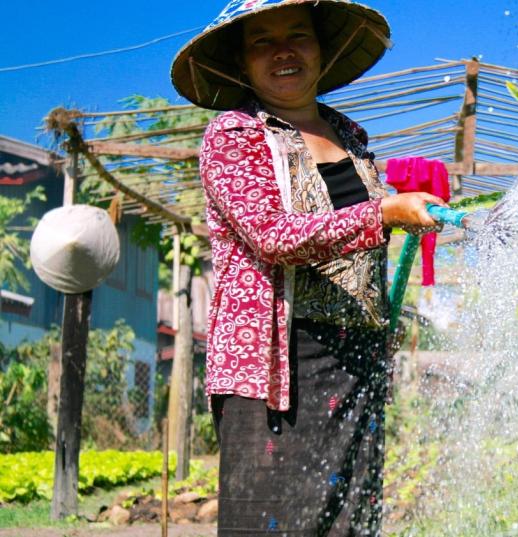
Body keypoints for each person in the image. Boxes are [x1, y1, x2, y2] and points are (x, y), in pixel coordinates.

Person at [170, 1, 444, 534]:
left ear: (321, 49)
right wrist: (382, 212)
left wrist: (402, 218)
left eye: (298, 35)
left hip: (354, 351)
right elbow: (271, 236)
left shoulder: (350, 136)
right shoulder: (234, 135)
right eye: (261, 43)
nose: (283, 52)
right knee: (272, 517)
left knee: (347, 515)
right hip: (274, 359)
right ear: (242, 63)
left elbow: (362, 242)